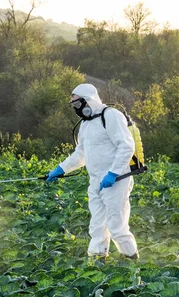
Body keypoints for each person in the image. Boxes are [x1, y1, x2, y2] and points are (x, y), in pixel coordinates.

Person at [46, 83, 138, 259]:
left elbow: (126, 146)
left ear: (89, 100)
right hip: (96, 182)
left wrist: (114, 173)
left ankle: (132, 260)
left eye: (78, 103)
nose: (76, 108)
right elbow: (81, 154)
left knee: (117, 227)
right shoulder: (86, 125)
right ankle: (97, 261)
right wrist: (60, 169)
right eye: (73, 105)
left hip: (116, 180)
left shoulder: (111, 116)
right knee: (97, 227)